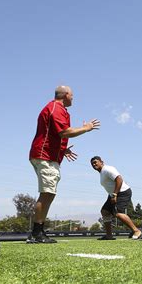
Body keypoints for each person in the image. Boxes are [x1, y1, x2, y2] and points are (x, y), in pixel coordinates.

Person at [27, 86, 100, 243]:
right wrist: (86, 128)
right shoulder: (56, 108)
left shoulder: (57, 109)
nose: (73, 98)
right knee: (46, 193)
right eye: (72, 95)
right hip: (45, 156)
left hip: (47, 154)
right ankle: (36, 233)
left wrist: (63, 149)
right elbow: (64, 132)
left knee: (49, 193)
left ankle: (38, 232)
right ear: (66, 95)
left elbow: (52, 133)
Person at [90, 156, 141, 240]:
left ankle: (136, 231)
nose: (94, 164)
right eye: (92, 164)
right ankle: (109, 235)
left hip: (122, 192)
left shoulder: (107, 169)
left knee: (117, 213)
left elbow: (119, 179)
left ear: (101, 162)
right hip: (113, 194)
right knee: (105, 211)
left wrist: (115, 194)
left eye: (95, 162)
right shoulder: (102, 173)